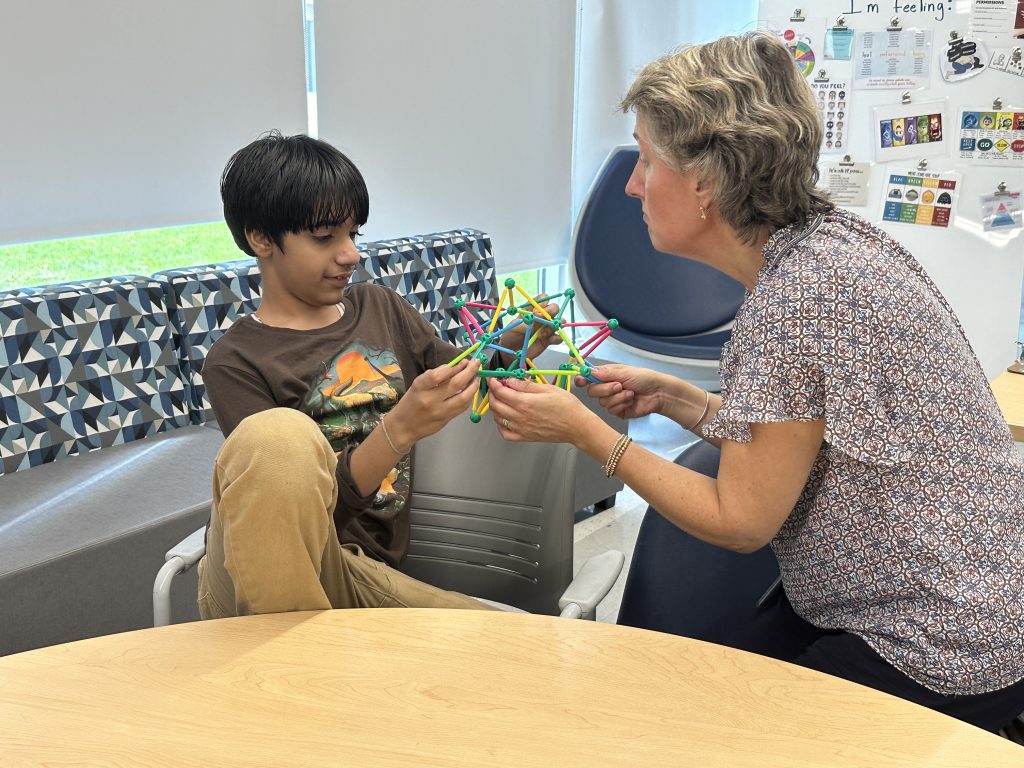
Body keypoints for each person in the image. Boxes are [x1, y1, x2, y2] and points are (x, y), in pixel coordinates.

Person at [486, 32, 1024, 731]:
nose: (631, 184)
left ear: (706, 183)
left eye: (647, 161)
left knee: (725, 735)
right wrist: (680, 401)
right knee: (710, 695)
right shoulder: (837, 248)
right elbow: (802, 440)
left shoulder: (792, 302)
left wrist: (589, 435)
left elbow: (739, 521)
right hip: (975, 595)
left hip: (940, 640)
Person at [197, 131, 555, 617]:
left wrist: (510, 344)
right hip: (283, 567)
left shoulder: (379, 307)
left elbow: (457, 371)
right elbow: (288, 520)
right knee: (279, 437)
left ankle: (296, 671)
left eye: (353, 234)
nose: (350, 255)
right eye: (324, 238)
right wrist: (400, 428)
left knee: (510, 645)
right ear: (261, 239)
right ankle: (289, 671)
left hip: (362, 573)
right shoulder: (236, 361)